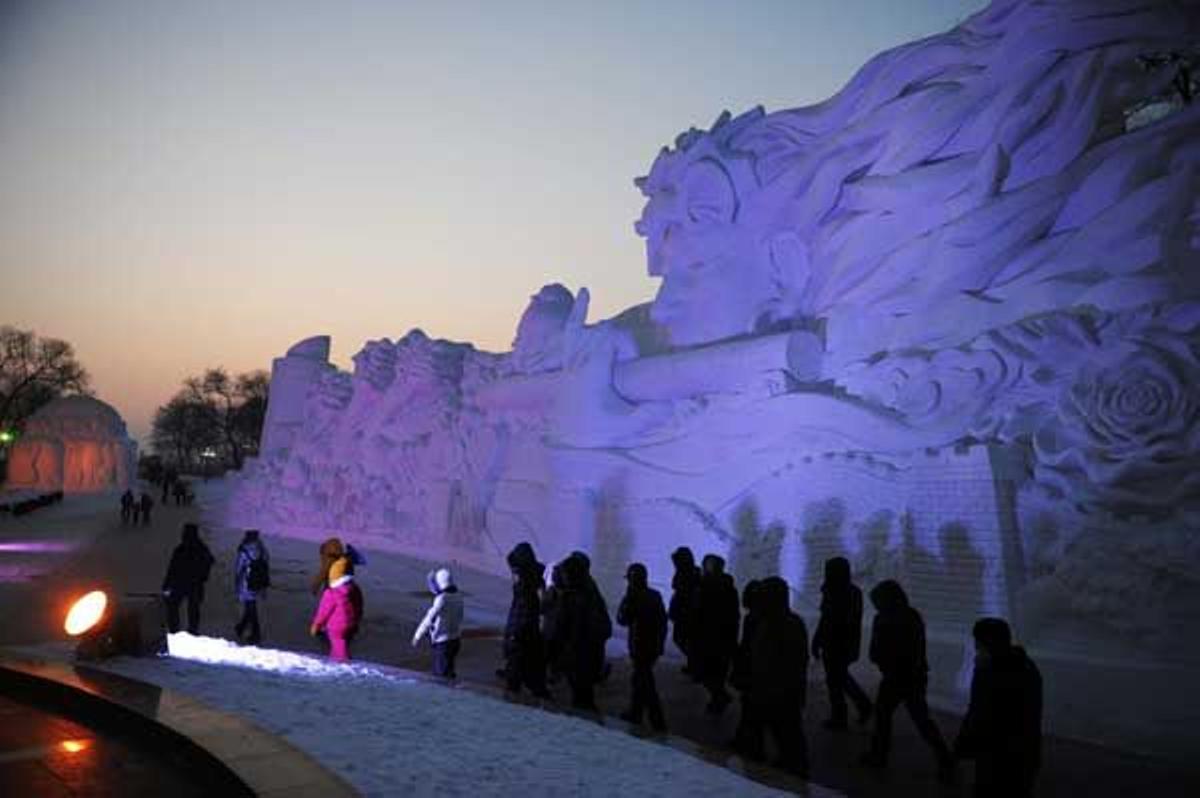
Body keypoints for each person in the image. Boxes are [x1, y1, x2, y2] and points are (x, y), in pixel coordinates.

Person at [861, 579, 954, 781]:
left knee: (888, 716)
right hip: (910, 676)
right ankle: (945, 758)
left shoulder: (886, 619)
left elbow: (879, 651)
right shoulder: (911, 616)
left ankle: (879, 755)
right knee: (917, 719)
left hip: (899, 677)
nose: (875, 605)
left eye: (877, 601)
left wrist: (883, 660)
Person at [954, 618, 1043, 798]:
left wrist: (963, 744)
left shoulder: (989, 671)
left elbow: (979, 710)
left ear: (986, 642)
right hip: (1023, 750)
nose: (976, 645)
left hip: (997, 750)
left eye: (978, 640)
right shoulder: (1026, 666)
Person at [747, 577, 810, 778]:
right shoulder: (773, 622)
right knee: (782, 732)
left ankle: (795, 771)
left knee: (787, 732)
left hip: (780, 692)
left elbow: (791, 663)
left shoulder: (786, 625)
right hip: (770, 690)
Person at [813, 556, 873, 730]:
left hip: (837, 643)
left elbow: (830, 619)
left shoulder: (836, 592)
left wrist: (819, 639)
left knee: (836, 681)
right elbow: (828, 619)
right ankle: (858, 707)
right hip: (840, 643)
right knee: (839, 679)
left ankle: (841, 717)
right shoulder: (851, 592)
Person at [549, 553, 608, 710]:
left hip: (578, 653)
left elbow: (560, 628)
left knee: (582, 694)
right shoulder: (589, 592)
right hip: (584, 653)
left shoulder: (572, 598)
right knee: (584, 693)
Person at [616, 562, 668, 731]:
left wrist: (627, 600)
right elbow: (662, 624)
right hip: (651, 647)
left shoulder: (634, 597)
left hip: (639, 647)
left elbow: (623, 620)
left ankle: (657, 721)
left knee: (644, 683)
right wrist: (659, 645)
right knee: (640, 680)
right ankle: (636, 713)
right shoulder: (655, 595)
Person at [502, 541, 551, 697]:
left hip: (524, 623)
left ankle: (517, 685)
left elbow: (524, 607)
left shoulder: (525, 579)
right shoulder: (537, 573)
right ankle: (533, 685)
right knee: (531, 657)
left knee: (519, 656)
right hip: (529, 622)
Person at [694, 553, 740, 713]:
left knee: (711, 671)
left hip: (715, 636)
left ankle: (718, 697)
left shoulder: (710, 586)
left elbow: (730, 615)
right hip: (716, 636)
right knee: (714, 672)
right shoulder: (719, 586)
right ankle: (718, 697)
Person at [730, 579, 765, 755]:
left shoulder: (753, 619)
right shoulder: (759, 618)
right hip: (755, 672)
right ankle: (747, 742)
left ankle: (752, 745)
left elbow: (747, 647)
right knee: (750, 710)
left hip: (753, 672)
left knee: (750, 710)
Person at [161, 523, 214, 634]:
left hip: (180, 583)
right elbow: (210, 561)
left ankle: (175, 630)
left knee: (173, 606)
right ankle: (192, 631)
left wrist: (167, 584)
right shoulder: (202, 549)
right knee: (193, 609)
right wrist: (203, 577)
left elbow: (172, 568)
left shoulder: (181, 549)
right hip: (195, 584)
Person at [412, 567, 464, 678]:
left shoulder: (442, 599)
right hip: (455, 640)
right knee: (449, 670)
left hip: (442, 642)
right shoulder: (458, 596)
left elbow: (429, 618)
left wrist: (417, 636)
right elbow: (460, 616)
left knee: (440, 675)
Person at [310, 556, 362, 662]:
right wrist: (357, 620)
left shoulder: (331, 593)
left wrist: (316, 625)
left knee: (339, 645)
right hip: (352, 624)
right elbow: (360, 606)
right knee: (343, 644)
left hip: (336, 626)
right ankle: (337, 660)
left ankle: (343, 664)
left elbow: (323, 612)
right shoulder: (355, 589)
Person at [668, 546, 702, 676]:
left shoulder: (688, 573)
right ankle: (694, 664)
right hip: (684, 613)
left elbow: (682, 592)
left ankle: (696, 665)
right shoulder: (689, 571)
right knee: (685, 640)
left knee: (683, 639)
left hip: (686, 613)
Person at [233, 529, 270, 645]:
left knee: (251, 608)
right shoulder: (262, 548)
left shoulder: (244, 549)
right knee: (251, 605)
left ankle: (255, 633)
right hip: (258, 582)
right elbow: (267, 561)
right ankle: (241, 627)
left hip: (247, 582)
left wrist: (237, 581)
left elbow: (238, 568)